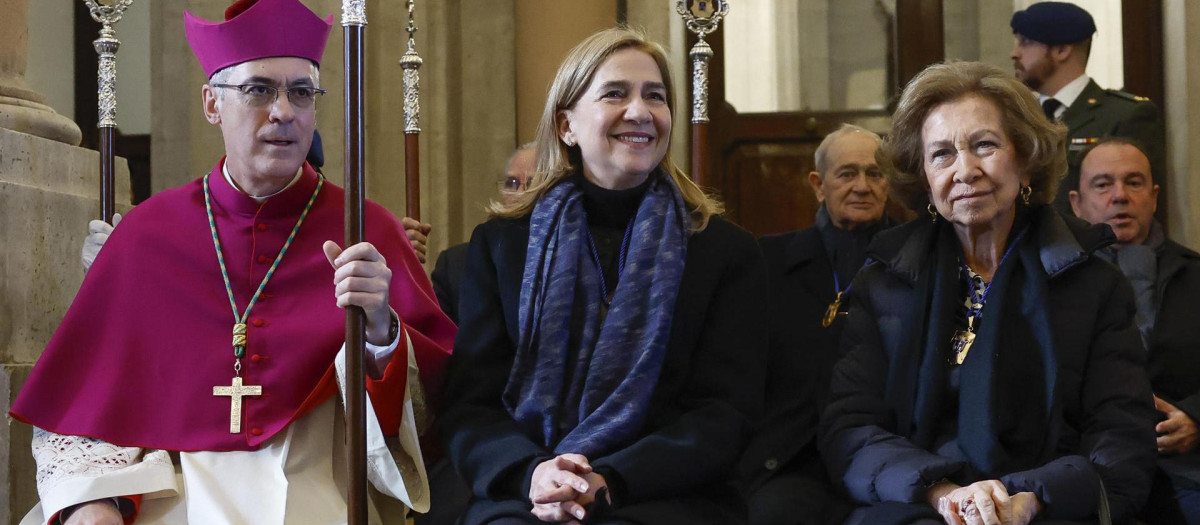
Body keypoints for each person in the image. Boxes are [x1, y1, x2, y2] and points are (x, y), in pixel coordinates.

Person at [9, 0, 456, 523]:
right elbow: (87, 401)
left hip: (318, 484)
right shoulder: (148, 235)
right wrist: (97, 499)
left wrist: (380, 331)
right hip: (168, 485)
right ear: (211, 104)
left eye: (301, 92)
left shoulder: (367, 231)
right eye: (258, 90)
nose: (284, 111)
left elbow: (429, 414)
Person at [439, 27, 768, 524]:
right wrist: (535, 475)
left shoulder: (724, 251)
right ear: (566, 123)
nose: (639, 112)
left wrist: (609, 480)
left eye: (654, 97)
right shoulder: (502, 245)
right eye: (615, 93)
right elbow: (470, 406)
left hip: (665, 493)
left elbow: (724, 414)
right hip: (527, 490)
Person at [819, 61, 1158, 525]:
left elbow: (1121, 435)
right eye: (941, 154)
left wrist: (1025, 500)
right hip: (919, 506)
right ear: (922, 175)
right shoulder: (882, 282)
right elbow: (850, 429)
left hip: (1050, 508)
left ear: (1026, 158)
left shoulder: (1094, 283)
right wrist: (944, 495)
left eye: (984, 145)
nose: (966, 170)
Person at [739, 124, 893, 525]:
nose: (862, 186)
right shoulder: (768, 262)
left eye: (874, 174)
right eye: (847, 173)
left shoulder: (913, 261)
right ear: (818, 185)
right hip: (792, 458)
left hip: (886, 452)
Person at [1070, 137, 1200, 524]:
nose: (1120, 196)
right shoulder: (1052, 283)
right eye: (1103, 184)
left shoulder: (1195, 276)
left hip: (1184, 469)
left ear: (1155, 196)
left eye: (1134, 182)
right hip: (1087, 470)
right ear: (1077, 204)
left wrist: (1196, 418)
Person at [1009, 1, 1166, 218]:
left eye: (1026, 42)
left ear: (1062, 50)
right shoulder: (1019, 117)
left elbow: (1140, 205)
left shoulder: (1125, 115)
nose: (1014, 53)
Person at [431, 144, 536, 325]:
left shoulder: (571, 257)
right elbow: (436, 344)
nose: (520, 194)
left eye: (533, 183)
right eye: (512, 184)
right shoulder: (455, 265)